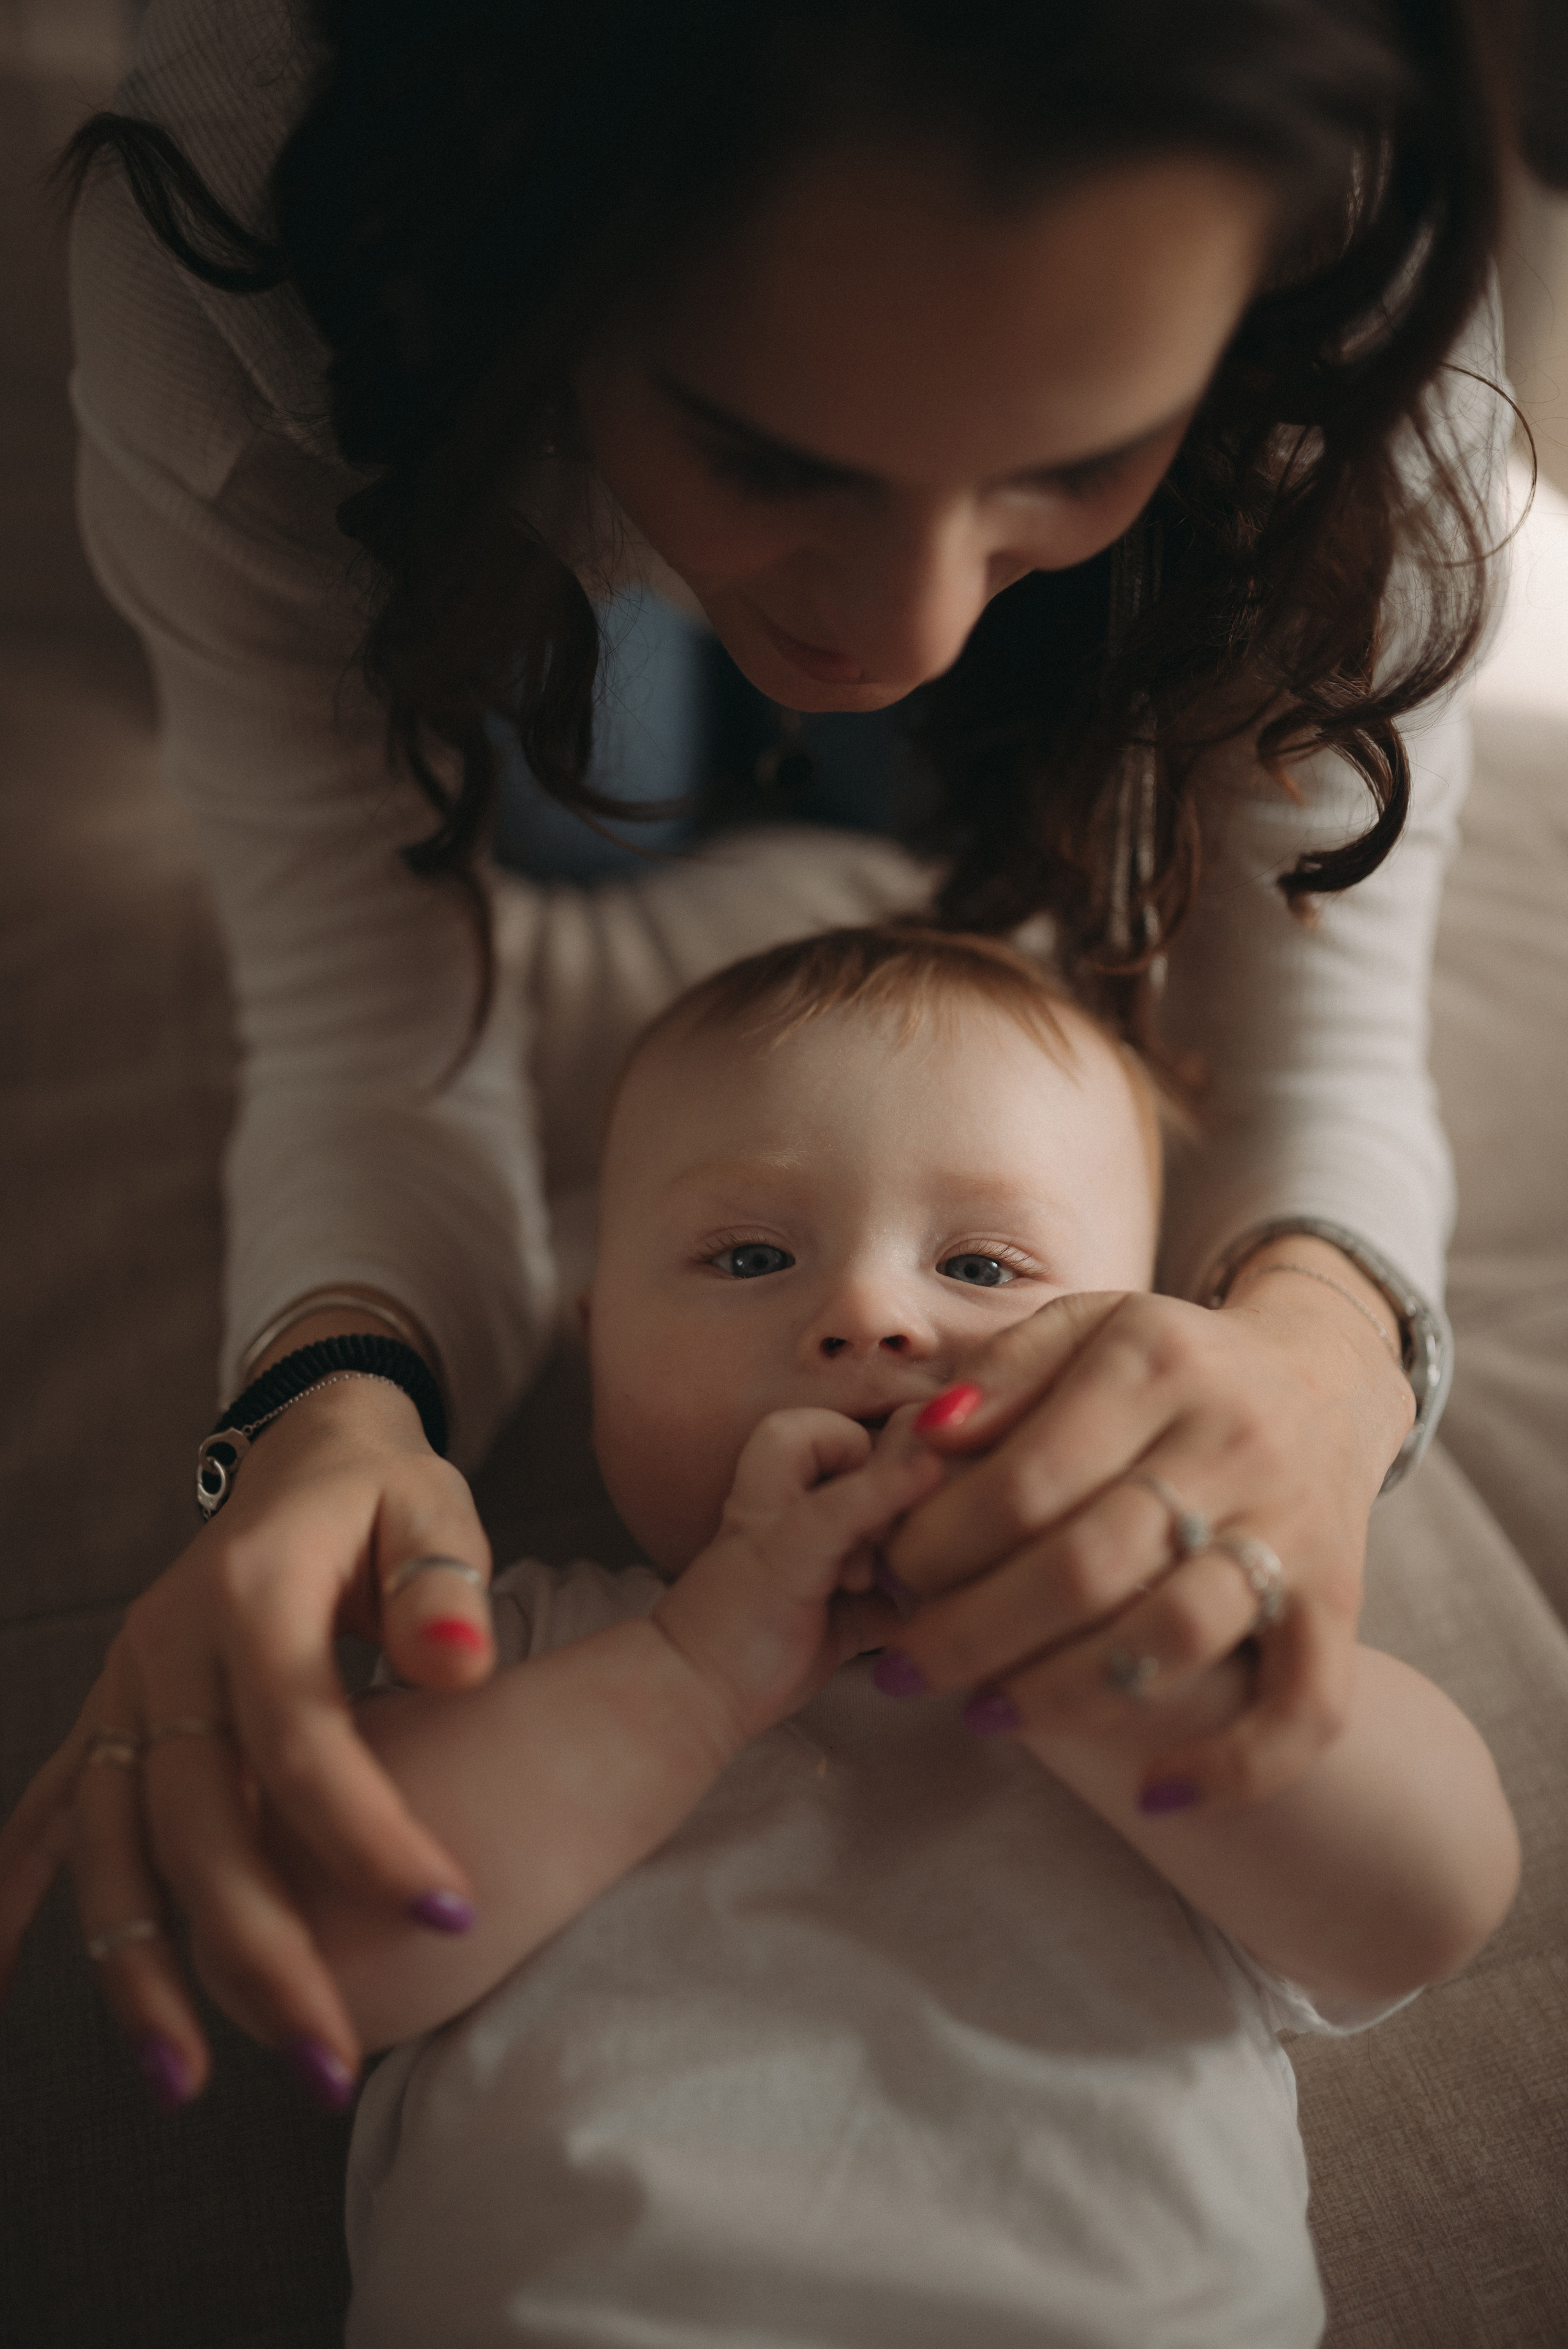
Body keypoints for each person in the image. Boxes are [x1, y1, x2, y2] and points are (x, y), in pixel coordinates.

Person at [0, 0, 1517, 2117]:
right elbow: (369, 1036)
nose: (901, 628)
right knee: (576, 776)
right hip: (484, 513)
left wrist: (1317, 1381)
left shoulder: (1341, 313)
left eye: (1068, 456)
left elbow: (1440, 1887)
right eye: (767, 447)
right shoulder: (267, 281)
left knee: (898, 803)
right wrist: (324, 1417)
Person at [267, 926, 1509, 2346]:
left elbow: (1429, 1899)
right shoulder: (513, 1635)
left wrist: (1084, 1657)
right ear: (595, 1343)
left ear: (1154, 1346)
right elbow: (313, 1945)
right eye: (748, 1255)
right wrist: (683, 1679)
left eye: (982, 1265)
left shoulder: (1172, 1629)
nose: (867, 1316)